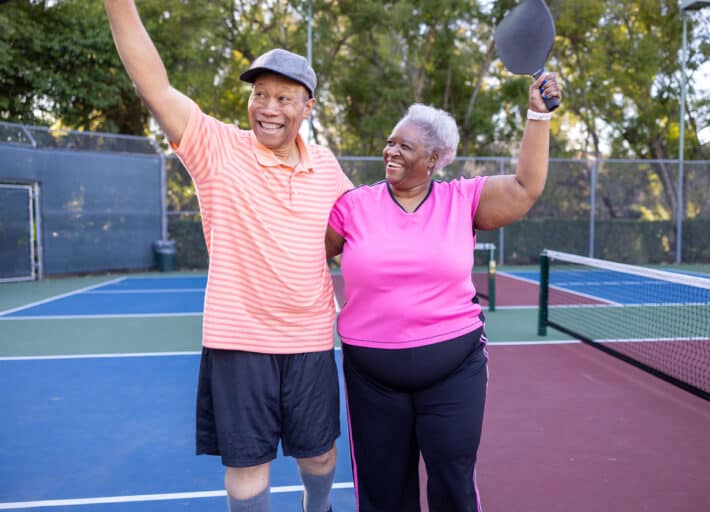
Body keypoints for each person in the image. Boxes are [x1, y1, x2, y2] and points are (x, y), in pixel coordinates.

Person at [104, 3, 352, 512]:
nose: (268, 107)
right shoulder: (215, 147)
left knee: (321, 458)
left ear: (308, 108)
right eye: (260, 94)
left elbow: (367, 233)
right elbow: (155, 84)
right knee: (246, 466)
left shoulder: (327, 167)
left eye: (284, 97)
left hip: (309, 339)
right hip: (238, 339)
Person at [325, 74, 562, 511]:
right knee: (382, 491)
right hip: (371, 378)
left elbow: (527, 187)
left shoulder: (464, 200)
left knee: (453, 483)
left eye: (404, 147)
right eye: (390, 142)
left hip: (454, 371)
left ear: (433, 159)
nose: (391, 152)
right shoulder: (354, 206)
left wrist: (537, 116)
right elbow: (306, 254)